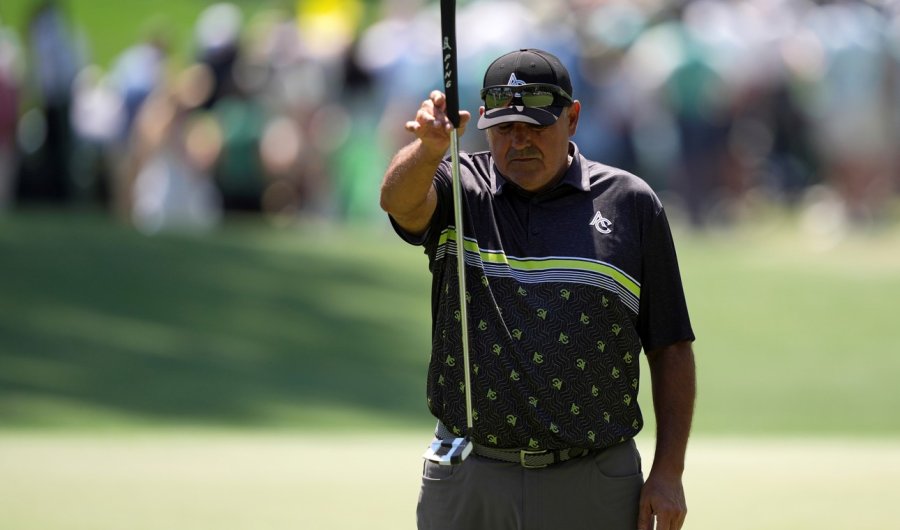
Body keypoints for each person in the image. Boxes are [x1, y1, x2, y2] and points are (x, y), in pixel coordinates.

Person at [380, 48, 696, 530]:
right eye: (505, 128)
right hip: (470, 475)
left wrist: (668, 473)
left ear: (572, 118)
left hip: (593, 478)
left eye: (535, 126)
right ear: (483, 122)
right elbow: (398, 202)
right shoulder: (459, 189)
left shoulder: (629, 203)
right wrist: (428, 150)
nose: (520, 141)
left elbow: (670, 345)